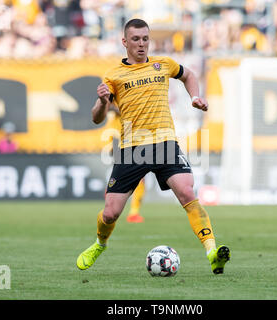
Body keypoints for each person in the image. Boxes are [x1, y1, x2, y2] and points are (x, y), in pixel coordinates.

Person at [76, 18, 230, 274]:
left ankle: (212, 251)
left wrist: (194, 97)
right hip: (132, 148)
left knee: (188, 194)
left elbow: (189, 74)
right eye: (135, 39)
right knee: (111, 213)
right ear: (124, 42)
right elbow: (96, 117)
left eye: (145, 39)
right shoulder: (114, 75)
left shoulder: (163, 65)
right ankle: (99, 244)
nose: (141, 44)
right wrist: (103, 101)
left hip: (165, 143)